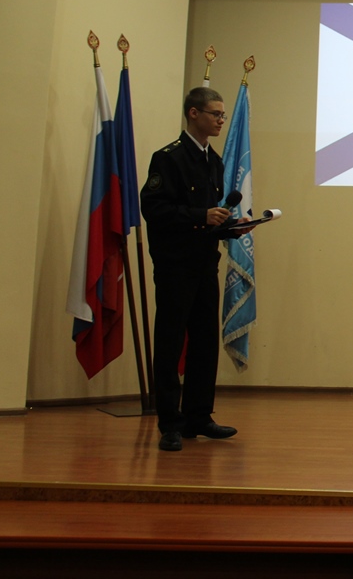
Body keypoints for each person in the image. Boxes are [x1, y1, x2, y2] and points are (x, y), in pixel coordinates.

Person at [141, 87, 247, 452]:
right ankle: (170, 422)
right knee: (170, 343)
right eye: (215, 114)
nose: (221, 120)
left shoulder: (213, 161)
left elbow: (210, 219)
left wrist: (232, 227)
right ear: (193, 114)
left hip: (204, 264)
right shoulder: (168, 158)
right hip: (175, 265)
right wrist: (201, 215)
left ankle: (198, 416)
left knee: (204, 342)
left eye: (222, 115)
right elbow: (155, 209)